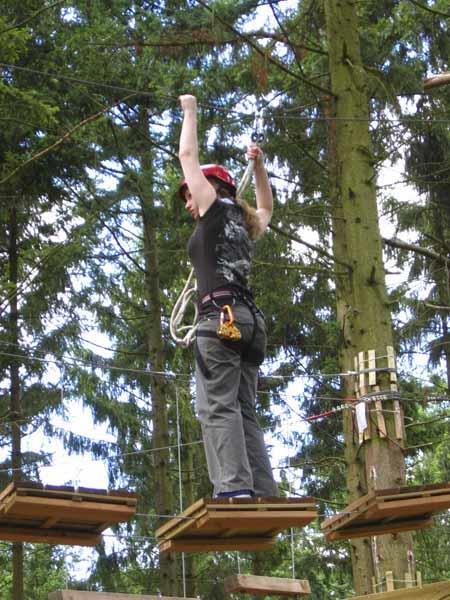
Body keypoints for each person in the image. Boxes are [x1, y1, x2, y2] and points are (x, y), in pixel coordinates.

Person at [178, 94, 278, 499]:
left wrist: (190, 110)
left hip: (220, 320)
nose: (188, 201)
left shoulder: (213, 207)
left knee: (216, 407)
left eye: (190, 193)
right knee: (243, 409)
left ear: (212, 186)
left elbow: (187, 153)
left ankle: (235, 488)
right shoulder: (246, 221)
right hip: (250, 324)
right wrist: (259, 167)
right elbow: (267, 206)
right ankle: (263, 490)